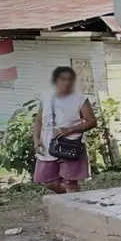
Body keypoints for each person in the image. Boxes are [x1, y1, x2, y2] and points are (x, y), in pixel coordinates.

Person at [32, 66, 97, 194]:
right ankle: (67, 199)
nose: (67, 82)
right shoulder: (46, 97)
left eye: (70, 79)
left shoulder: (80, 99)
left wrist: (70, 129)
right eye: (63, 79)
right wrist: (36, 139)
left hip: (70, 144)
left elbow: (92, 122)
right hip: (48, 145)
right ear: (56, 80)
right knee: (49, 182)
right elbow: (39, 120)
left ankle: (75, 206)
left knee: (70, 182)